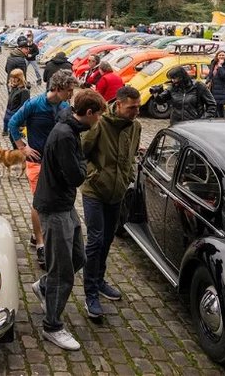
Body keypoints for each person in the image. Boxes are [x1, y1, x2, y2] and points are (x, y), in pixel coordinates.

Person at [30, 89, 106, 351]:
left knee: (78, 258)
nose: (98, 121)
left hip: (63, 204)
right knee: (62, 273)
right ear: (88, 113)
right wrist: (84, 163)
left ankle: (43, 287)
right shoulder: (65, 136)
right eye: (97, 116)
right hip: (55, 207)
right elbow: (76, 176)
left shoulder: (69, 127)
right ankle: (52, 325)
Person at [80, 86, 141, 319]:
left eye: (138, 107)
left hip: (117, 193)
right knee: (95, 240)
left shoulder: (135, 127)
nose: (136, 111)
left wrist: (127, 177)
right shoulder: (99, 125)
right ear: (119, 105)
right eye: (132, 107)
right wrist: (92, 174)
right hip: (94, 191)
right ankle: (90, 293)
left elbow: (131, 155)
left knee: (106, 239)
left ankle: (99, 279)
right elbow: (81, 152)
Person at [9, 70, 78, 269]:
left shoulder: (65, 106)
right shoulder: (34, 104)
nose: (71, 94)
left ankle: (35, 234)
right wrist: (23, 147)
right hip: (37, 161)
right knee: (40, 202)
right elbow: (13, 123)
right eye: (69, 90)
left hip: (55, 162)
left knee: (49, 200)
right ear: (57, 88)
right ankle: (40, 243)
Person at [150, 66, 217, 124]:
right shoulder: (173, 88)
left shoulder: (198, 86)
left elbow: (212, 104)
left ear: (182, 77)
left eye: (175, 78)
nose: (173, 81)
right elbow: (161, 101)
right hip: (176, 124)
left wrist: (203, 119)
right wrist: (156, 94)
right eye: (171, 79)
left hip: (193, 124)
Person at [3, 68, 30, 138]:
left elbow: (24, 107)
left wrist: (22, 124)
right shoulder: (14, 88)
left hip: (16, 119)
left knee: (15, 139)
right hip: (10, 116)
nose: (12, 79)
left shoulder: (24, 91)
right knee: (12, 138)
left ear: (19, 79)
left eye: (14, 78)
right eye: (11, 77)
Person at [206, 50, 225, 117]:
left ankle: (221, 120)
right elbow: (210, 74)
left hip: (222, 89)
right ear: (217, 56)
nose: (221, 56)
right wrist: (208, 81)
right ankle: (215, 119)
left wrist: (220, 66)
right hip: (214, 87)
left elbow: (224, 75)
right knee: (215, 105)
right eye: (220, 55)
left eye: (223, 55)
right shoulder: (214, 63)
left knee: (219, 106)